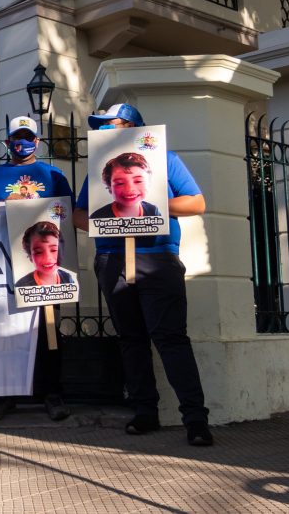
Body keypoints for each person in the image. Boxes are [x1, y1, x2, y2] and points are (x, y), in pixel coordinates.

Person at [74, 103, 213, 447]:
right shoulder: (98, 168)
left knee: (170, 339)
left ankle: (195, 419)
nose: (106, 131)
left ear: (133, 127)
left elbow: (196, 203)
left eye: (112, 124)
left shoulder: (165, 159)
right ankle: (144, 412)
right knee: (131, 340)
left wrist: (150, 205)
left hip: (158, 260)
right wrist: (105, 223)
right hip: (112, 261)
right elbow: (78, 212)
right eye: (101, 126)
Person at [0, 116, 72, 422]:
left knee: (48, 332)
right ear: (7, 142)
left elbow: (67, 215)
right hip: (4, 264)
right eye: (17, 137)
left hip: (44, 267)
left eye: (27, 136)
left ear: (37, 142)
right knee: (6, 332)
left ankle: (52, 393)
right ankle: (6, 394)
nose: (22, 142)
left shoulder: (53, 175)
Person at [90, 152, 162, 219]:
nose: (130, 189)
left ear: (148, 183)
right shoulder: (98, 216)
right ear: (109, 187)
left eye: (138, 181)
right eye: (120, 183)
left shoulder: (153, 211)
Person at [16, 221, 78, 288]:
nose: (48, 258)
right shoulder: (23, 285)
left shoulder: (67, 278)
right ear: (30, 256)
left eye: (54, 250)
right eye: (39, 252)